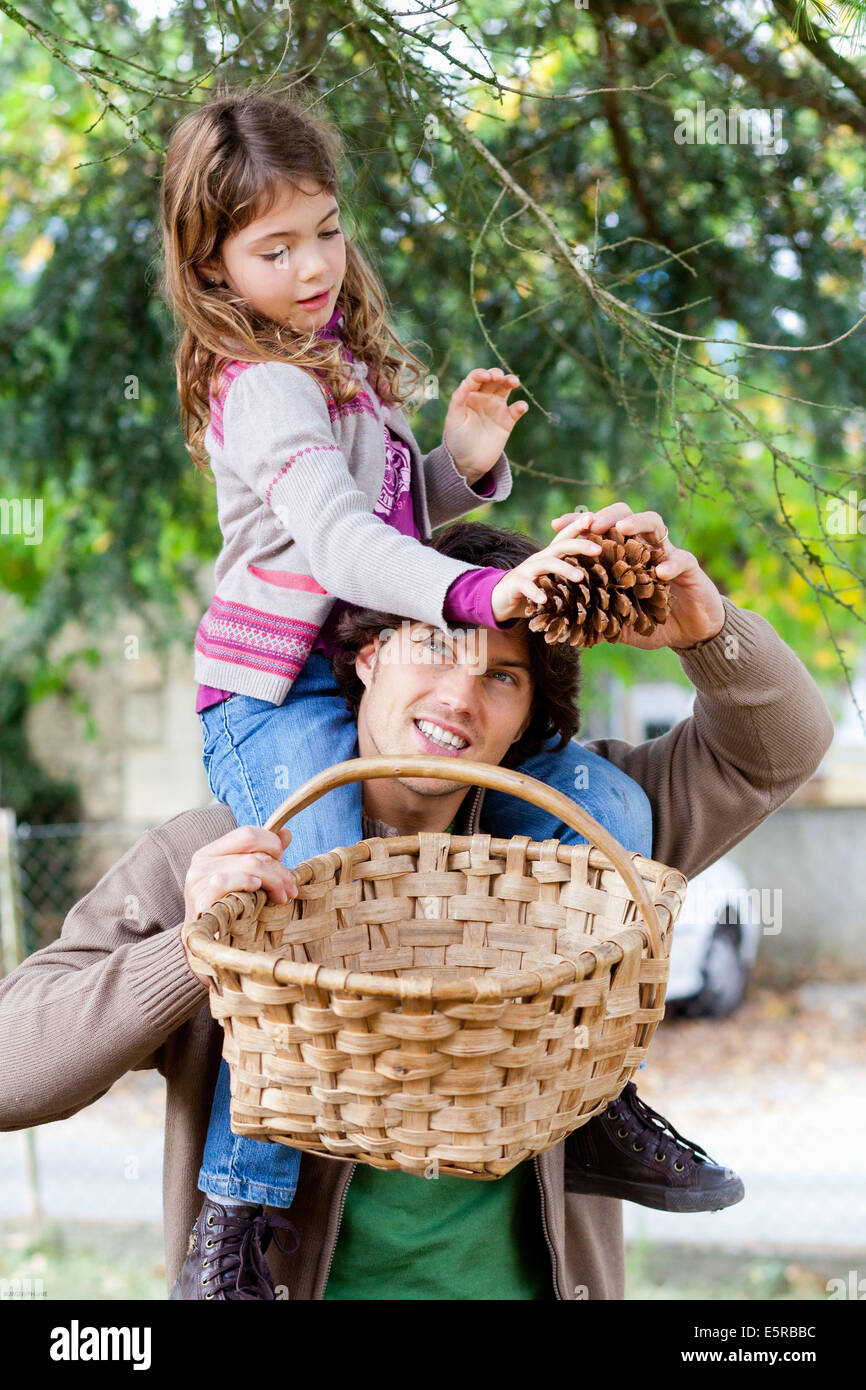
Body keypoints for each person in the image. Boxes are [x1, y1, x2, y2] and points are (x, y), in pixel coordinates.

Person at [0, 508, 834, 1299]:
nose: (459, 699)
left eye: (501, 676)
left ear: (527, 721)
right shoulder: (221, 857)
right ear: (366, 656)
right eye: (435, 645)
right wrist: (191, 949)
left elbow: (780, 750)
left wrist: (707, 628)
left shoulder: (576, 851)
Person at [157, 80, 722, 1247]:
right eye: (274, 249)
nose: (313, 266)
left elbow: (385, 517)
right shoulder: (260, 386)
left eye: (324, 230)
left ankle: (598, 1092)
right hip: (273, 699)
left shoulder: (334, 366)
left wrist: (454, 471)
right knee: (305, 891)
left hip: (366, 663)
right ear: (212, 270)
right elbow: (338, 543)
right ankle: (238, 1213)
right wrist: (474, 591)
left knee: (603, 804)